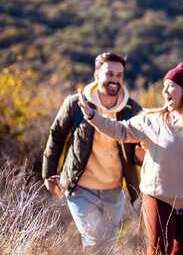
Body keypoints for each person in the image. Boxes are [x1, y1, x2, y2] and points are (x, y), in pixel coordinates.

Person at [78, 60, 183, 255]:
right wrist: (93, 116)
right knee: (158, 251)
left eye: (171, 86)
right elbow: (120, 130)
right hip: (158, 196)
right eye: (164, 86)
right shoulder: (152, 119)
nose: (165, 91)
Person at [42, 52, 143, 253]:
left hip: (114, 191)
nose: (115, 80)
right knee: (94, 237)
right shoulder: (76, 104)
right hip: (81, 189)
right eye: (110, 74)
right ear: (97, 74)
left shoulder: (131, 109)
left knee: (105, 245)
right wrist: (49, 173)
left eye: (119, 75)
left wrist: (140, 157)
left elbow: (139, 147)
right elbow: (57, 136)